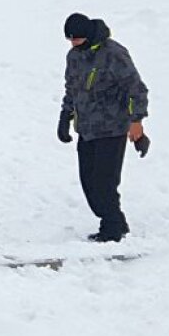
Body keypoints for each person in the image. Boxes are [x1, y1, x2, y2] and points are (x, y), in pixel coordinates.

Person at [57, 13, 150, 243]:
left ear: (87, 35)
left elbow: (136, 89)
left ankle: (113, 228)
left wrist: (136, 121)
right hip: (87, 129)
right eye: (70, 39)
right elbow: (72, 89)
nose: (73, 43)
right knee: (88, 181)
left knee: (104, 182)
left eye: (76, 39)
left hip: (112, 128)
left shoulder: (113, 54)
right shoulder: (74, 57)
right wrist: (65, 115)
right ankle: (114, 220)